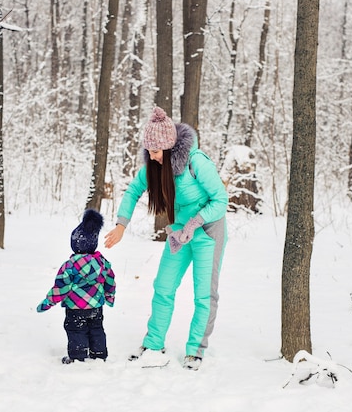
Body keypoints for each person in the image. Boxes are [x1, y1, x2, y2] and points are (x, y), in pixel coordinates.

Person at [104, 106, 228, 371]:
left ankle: (195, 350)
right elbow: (133, 190)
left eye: (156, 152)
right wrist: (121, 225)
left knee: (204, 294)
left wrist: (195, 223)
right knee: (163, 286)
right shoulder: (154, 166)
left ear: (171, 148)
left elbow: (221, 200)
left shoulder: (197, 163)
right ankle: (153, 342)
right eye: (148, 151)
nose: (152, 157)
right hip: (179, 234)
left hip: (207, 231)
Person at [37, 209, 116, 364]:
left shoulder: (69, 266)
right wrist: (109, 297)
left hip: (75, 308)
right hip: (96, 306)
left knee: (76, 330)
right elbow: (110, 281)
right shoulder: (103, 264)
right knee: (96, 328)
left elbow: (61, 288)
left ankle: (78, 357)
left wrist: (48, 302)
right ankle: (99, 353)